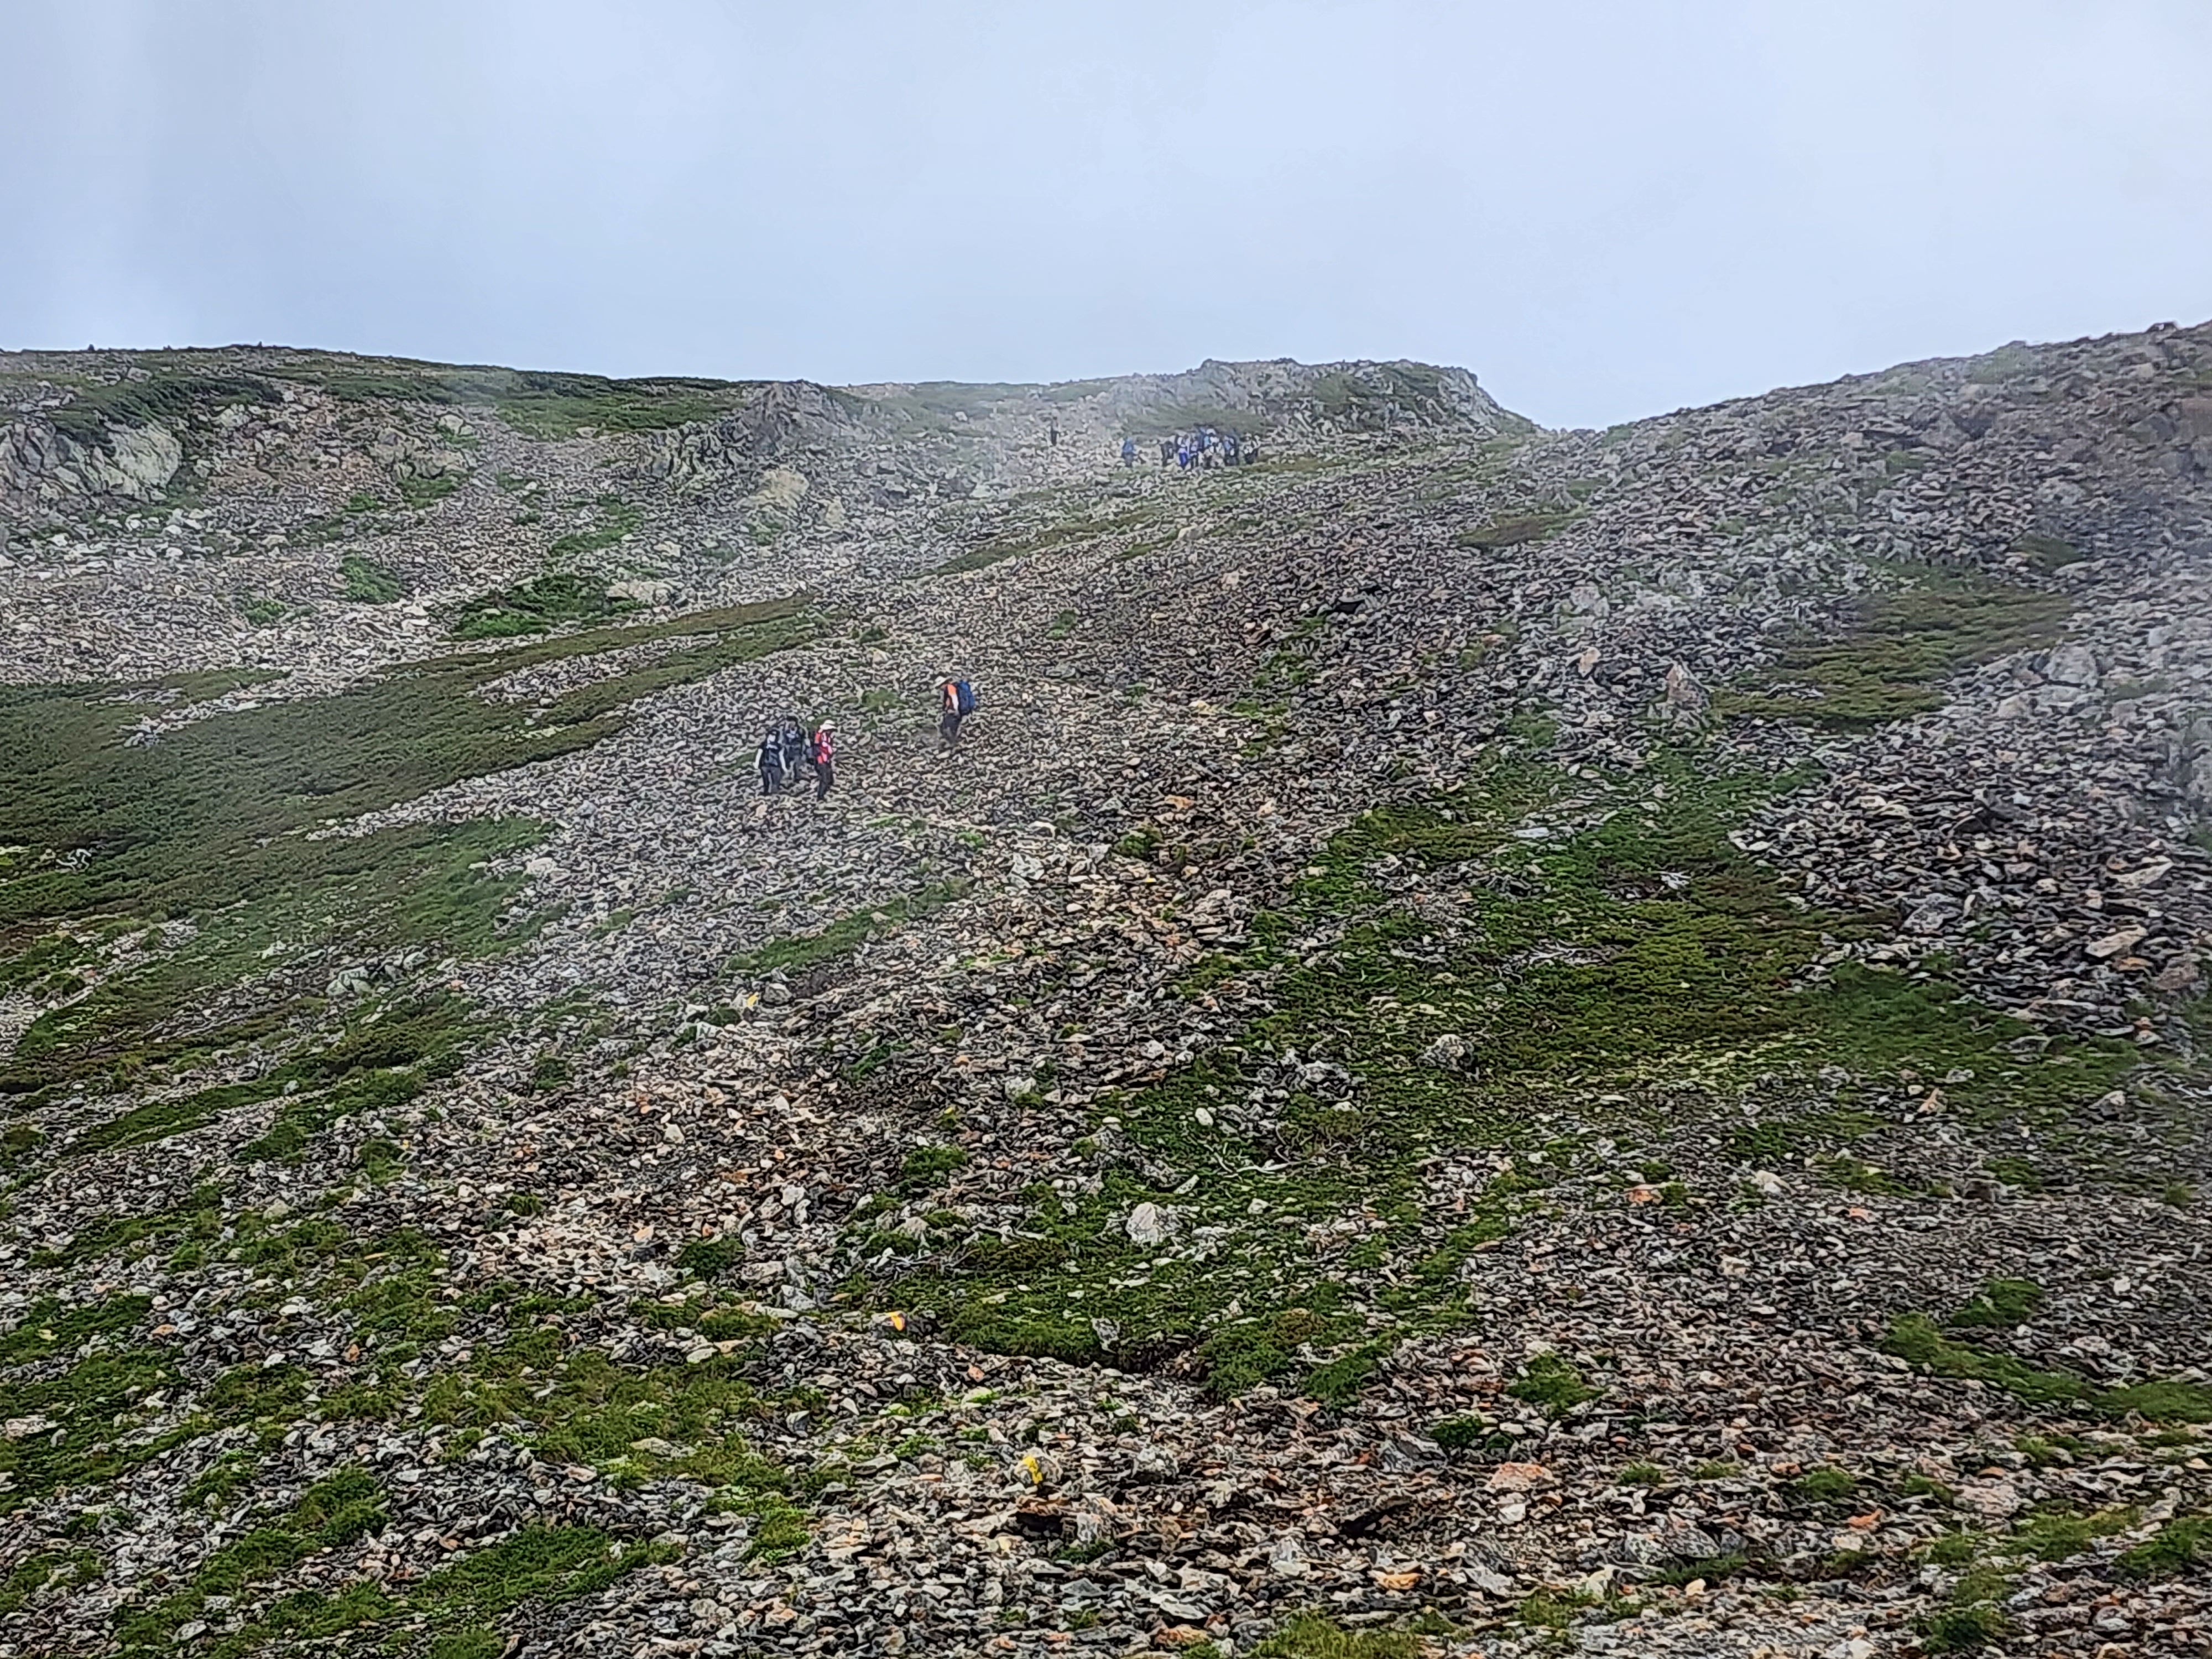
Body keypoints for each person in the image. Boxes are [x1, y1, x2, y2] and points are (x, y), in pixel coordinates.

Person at [808, 721, 836, 799]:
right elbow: (820, 747)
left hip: (826, 760)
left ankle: (825, 792)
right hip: (821, 760)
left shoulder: (827, 737)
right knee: (825, 779)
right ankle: (820, 796)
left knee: (829, 778)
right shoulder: (820, 737)